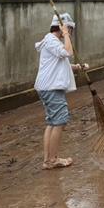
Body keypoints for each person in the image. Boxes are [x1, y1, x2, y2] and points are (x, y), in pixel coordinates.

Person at [35, 13, 87, 170]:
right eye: (69, 29)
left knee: (52, 122)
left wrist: (77, 67)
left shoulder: (51, 41)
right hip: (51, 88)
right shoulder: (52, 40)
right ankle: (51, 159)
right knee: (59, 121)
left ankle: (49, 159)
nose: (70, 33)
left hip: (49, 87)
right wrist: (65, 35)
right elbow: (67, 53)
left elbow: (59, 62)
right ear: (64, 27)